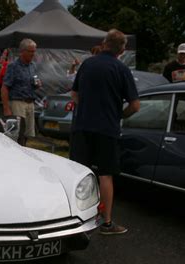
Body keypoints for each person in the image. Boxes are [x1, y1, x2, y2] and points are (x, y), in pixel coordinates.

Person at [70, 29, 140, 235]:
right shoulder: (121, 69)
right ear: (122, 50)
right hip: (107, 129)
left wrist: (85, 109)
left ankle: (74, 220)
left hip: (82, 127)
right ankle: (107, 223)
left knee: (78, 173)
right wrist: (119, 115)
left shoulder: (87, 64)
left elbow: (74, 94)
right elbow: (135, 106)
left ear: (104, 43)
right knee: (105, 175)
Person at [1, 38, 41, 145]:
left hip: (30, 103)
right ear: (22, 51)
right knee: (18, 133)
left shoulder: (33, 66)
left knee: (28, 134)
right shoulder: (13, 66)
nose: (33, 54)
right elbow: (5, 87)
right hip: (17, 103)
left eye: (34, 51)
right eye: (30, 51)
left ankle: (24, 152)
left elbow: (34, 82)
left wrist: (37, 84)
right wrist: (6, 108)